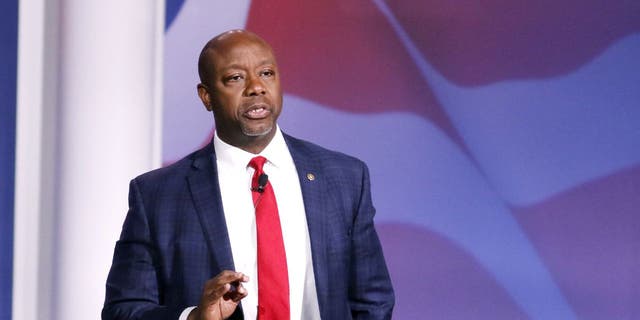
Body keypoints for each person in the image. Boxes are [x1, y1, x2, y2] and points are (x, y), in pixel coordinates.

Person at [102, 29, 394, 320]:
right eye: (235, 78)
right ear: (206, 96)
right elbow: (122, 310)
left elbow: (373, 302)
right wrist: (193, 318)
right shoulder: (158, 195)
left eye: (266, 73)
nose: (256, 87)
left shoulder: (343, 178)